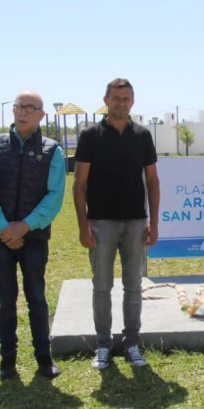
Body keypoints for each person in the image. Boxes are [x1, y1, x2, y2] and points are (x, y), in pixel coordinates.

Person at [73, 77, 160, 370]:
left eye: (126, 99)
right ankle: (103, 344)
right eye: (116, 98)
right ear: (106, 100)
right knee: (102, 286)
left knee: (133, 286)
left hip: (135, 222)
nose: (121, 103)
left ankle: (132, 343)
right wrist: (83, 226)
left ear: (132, 102)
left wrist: (154, 223)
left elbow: (153, 181)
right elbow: (79, 184)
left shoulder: (142, 135)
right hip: (100, 223)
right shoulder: (90, 136)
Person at [0, 91, 64, 380]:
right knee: (6, 300)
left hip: (34, 239)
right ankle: (7, 361)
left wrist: (24, 226)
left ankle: (44, 359)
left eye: (30, 107)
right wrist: (5, 229)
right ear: (13, 111)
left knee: (37, 298)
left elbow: (54, 197)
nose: (23, 112)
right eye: (19, 106)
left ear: (41, 115)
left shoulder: (52, 150)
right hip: (0, 238)